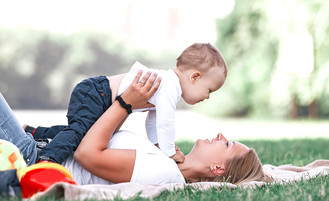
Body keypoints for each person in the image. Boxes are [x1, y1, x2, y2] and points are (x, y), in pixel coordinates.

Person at [0, 71, 268, 191]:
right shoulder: (167, 159)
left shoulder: (165, 173)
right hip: (34, 147)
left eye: (228, 144)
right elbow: (95, 134)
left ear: (218, 169)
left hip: (31, 161)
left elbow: (86, 153)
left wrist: (126, 103)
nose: (221, 136)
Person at [25, 43, 227, 165]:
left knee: (83, 132)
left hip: (99, 96)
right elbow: (165, 123)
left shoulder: (168, 86)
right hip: (96, 93)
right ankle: (46, 161)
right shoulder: (170, 87)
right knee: (79, 132)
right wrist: (169, 152)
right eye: (209, 90)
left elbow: (152, 121)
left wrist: (157, 146)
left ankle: (35, 133)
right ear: (195, 77)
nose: (208, 97)